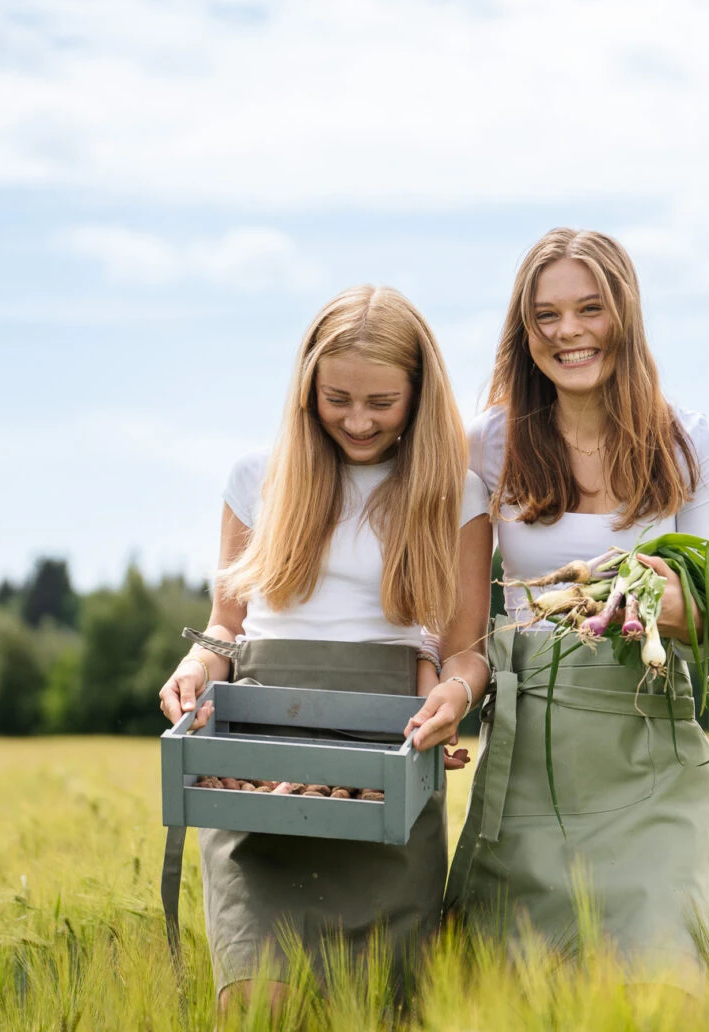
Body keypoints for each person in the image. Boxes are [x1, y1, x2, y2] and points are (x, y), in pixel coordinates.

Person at [157, 284, 492, 1015]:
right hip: (259, 772)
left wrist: (452, 697)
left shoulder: (454, 491)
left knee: (380, 1010)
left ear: (419, 393)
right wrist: (193, 667)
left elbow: (469, 651)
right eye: (337, 398)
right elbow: (226, 627)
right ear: (307, 388)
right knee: (256, 1006)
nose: (359, 420)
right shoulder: (258, 477)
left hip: (385, 775)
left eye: (382, 401)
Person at [426, 227, 709, 990]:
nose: (568, 332)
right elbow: (464, 636)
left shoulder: (693, 445)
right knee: (516, 985)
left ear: (623, 313)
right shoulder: (484, 448)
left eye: (589, 309)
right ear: (523, 332)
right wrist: (450, 700)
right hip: (533, 763)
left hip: (650, 750)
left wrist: (661, 600)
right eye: (546, 317)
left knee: (660, 985)